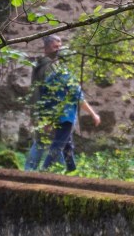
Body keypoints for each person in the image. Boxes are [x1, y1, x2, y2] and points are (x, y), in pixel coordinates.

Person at [24, 34, 101, 172]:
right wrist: (93, 114)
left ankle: (70, 169)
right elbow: (76, 97)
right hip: (60, 114)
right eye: (55, 47)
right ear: (46, 48)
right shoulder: (53, 69)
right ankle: (39, 170)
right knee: (52, 143)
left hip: (54, 113)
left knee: (66, 143)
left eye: (60, 47)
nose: (58, 50)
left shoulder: (53, 69)